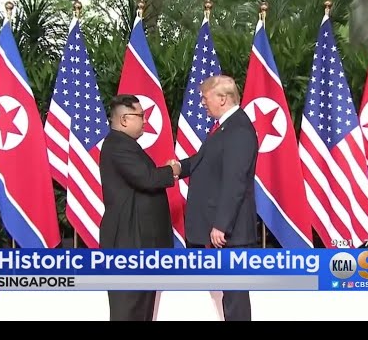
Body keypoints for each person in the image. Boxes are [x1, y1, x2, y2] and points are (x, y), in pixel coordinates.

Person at [169, 74, 259, 321]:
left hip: (232, 232)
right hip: (225, 229)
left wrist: (221, 224)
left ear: (222, 98)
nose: (202, 102)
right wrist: (178, 168)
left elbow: (235, 181)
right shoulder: (225, 128)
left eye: (204, 97)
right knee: (229, 295)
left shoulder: (238, 129)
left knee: (235, 298)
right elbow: (203, 160)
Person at [99, 94, 180, 321]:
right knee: (129, 309)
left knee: (142, 309)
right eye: (141, 116)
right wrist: (171, 171)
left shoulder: (126, 145)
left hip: (139, 242)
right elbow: (146, 178)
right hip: (128, 243)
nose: (145, 121)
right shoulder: (117, 145)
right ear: (124, 119)